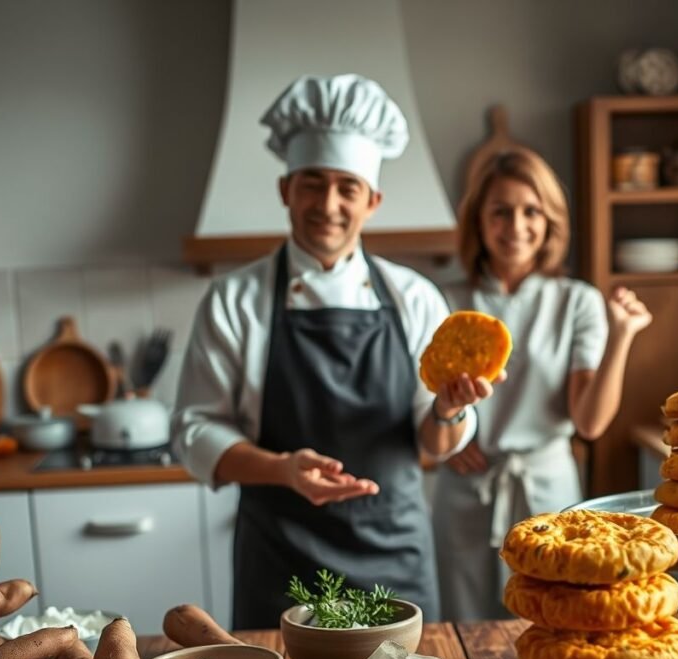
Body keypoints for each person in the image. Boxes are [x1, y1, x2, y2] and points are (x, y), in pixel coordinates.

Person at [172, 74, 497, 629]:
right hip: (280, 560)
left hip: (394, 559)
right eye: (312, 183)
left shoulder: (415, 296)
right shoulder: (235, 300)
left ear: (372, 201)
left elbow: (437, 441)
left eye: (347, 187)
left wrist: (448, 410)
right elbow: (195, 432)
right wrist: (282, 469)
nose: (328, 204)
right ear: (285, 190)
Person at [432, 148, 653, 621]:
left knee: (549, 626)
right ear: (478, 222)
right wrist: (452, 441)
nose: (516, 226)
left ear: (550, 220)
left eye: (531, 211)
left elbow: (589, 421)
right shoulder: (443, 299)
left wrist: (621, 335)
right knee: (465, 631)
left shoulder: (576, 302)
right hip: (466, 490)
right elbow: (422, 401)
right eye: (501, 211)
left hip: (547, 494)